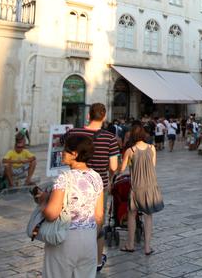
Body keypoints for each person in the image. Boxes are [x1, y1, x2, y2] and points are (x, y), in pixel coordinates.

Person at [39, 134, 104, 278]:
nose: (62, 152)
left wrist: (43, 201)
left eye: (66, 150)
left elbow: (51, 213)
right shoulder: (96, 177)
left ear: (75, 154)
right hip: (89, 239)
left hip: (65, 238)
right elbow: (99, 215)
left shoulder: (64, 178)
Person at [67, 103, 120, 273]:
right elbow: (113, 166)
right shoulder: (110, 138)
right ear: (104, 117)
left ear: (88, 115)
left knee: (73, 219)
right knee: (97, 221)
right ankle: (96, 261)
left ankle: (72, 257)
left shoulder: (73, 133)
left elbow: (63, 154)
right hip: (99, 185)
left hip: (74, 183)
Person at [119, 125, 164, 255]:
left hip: (136, 186)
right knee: (148, 216)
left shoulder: (130, 151)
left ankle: (130, 244)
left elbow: (122, 169)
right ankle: (147, 247)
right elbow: (153, 165)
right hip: (150, 185)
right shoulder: (152, 148)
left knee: (132, 214)